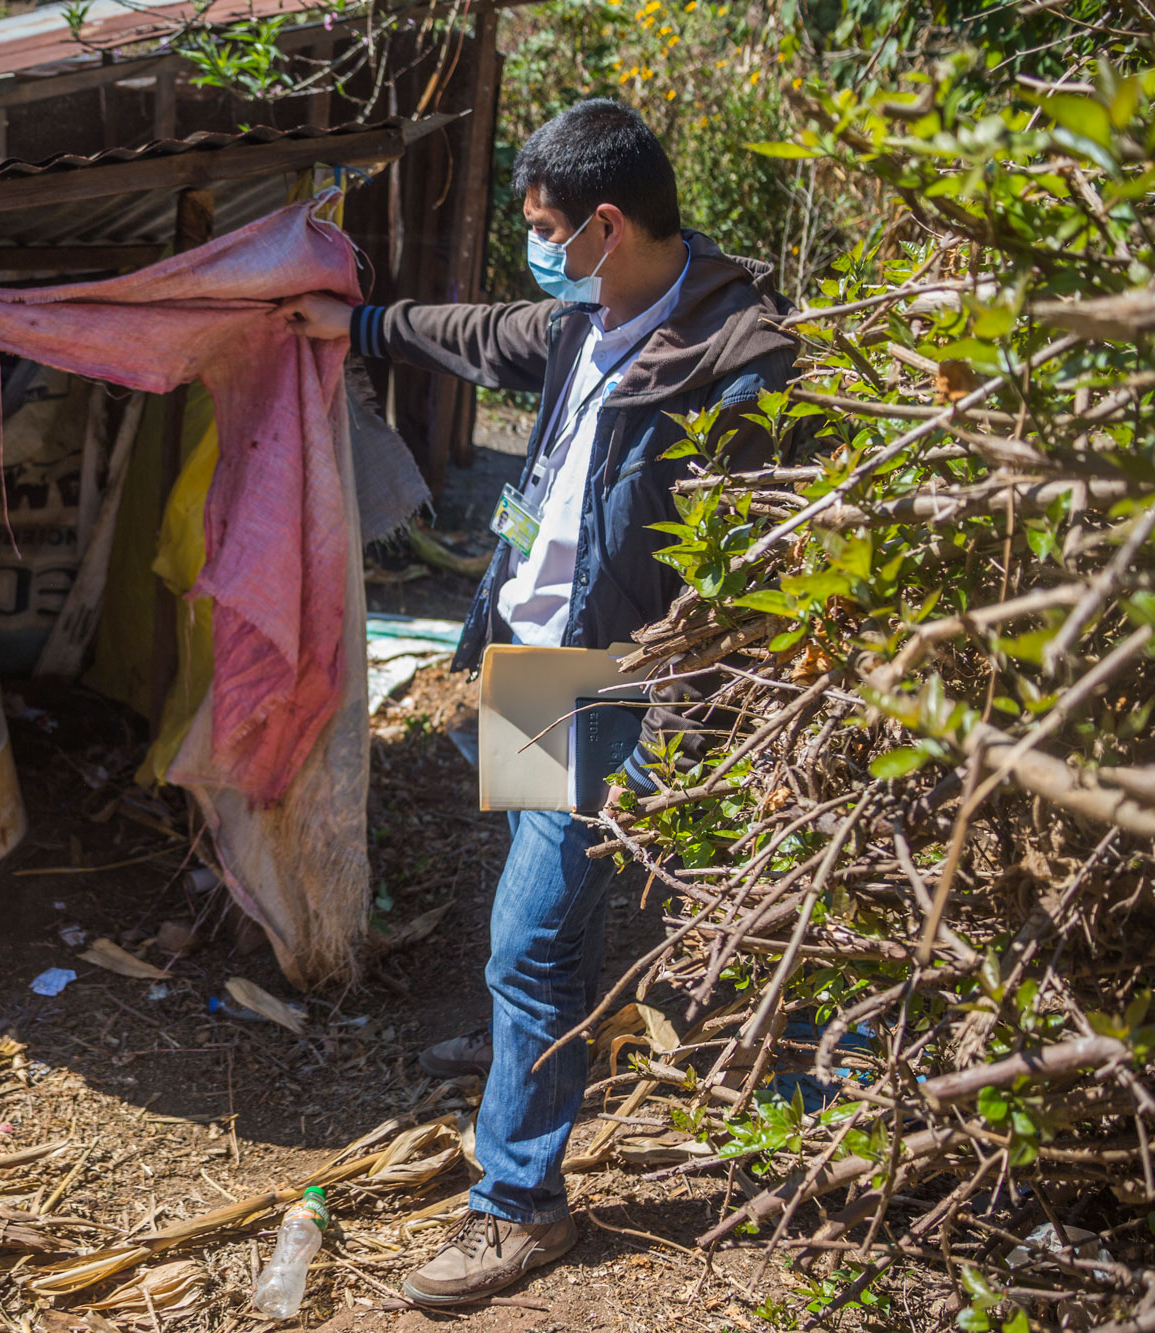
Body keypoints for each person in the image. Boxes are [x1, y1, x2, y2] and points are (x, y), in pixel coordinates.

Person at [277, 99, 796, 1305]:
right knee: (536, 900)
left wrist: (690, 720)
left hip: (612, 680)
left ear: (607, 226)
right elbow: (473, 330)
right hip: (535, 658)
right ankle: (530, 1044)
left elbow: (755, 578)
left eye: (548, 229)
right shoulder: (586, 319)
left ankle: (519, 1205)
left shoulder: (737, 363)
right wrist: (353, 325)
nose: (539, 250)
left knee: (531, 931)